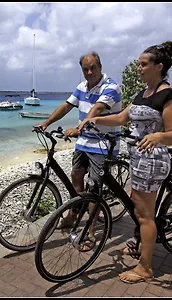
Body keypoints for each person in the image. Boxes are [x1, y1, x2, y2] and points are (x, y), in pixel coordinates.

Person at [78, 41, 172, 283]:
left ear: (159, 67)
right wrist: (93, 121)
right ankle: (141, 245)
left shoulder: (167, 95)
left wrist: (158, 136)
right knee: (138, 208)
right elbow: (120, 118)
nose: (138, 68)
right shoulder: (142, 94)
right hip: (137, 158)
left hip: (152, 160)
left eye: (143, 64)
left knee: (144, 216)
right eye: (139, 64)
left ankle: (146, 267)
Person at [37, 51, 122, 251]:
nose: (90, 72)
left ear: (100, 67)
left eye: (93, 67)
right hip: (83, 142)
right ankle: (74, 213)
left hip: (102, 144)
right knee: (76, 178)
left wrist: (78, 128)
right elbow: (67, 106)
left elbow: (97, 110)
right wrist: (46, 122)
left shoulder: (111, 87)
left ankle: (90, 233)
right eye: (85, 69)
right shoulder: (82, 87)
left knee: (93, 188)